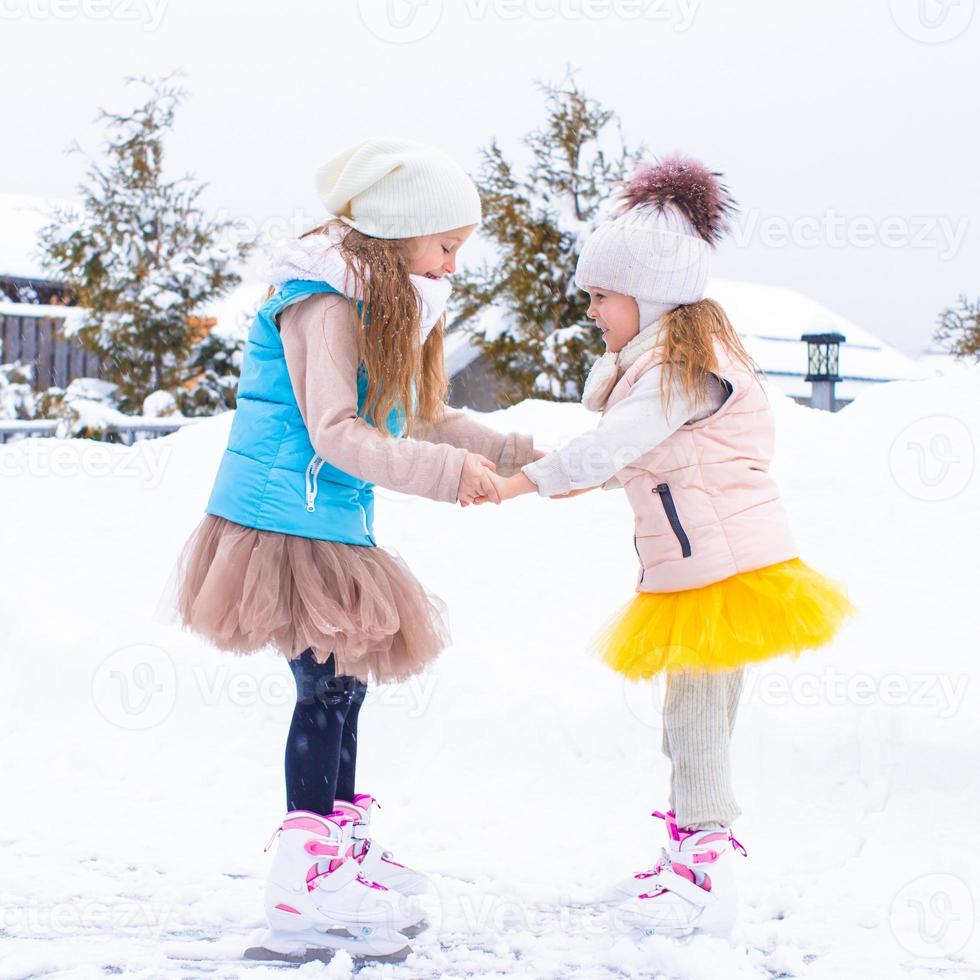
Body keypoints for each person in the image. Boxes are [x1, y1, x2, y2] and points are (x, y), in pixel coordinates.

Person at [166, 138, 540, 960]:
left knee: (344, 686)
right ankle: (304, 881)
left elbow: (410, 413)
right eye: (446, 245)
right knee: (325, 686)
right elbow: (337, 434)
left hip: (322, 516)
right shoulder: (325, 306)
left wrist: (511, 449)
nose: (453, 264)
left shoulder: (375, 302)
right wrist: (448, 477)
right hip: (283, 519)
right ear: (400, 232)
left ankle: (335, 845)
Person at [482, 155, 856, 939]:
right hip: (712, 561)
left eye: (600, 297)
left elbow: (609, 448)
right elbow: (615, 454)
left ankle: (703, 869)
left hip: (715, 568)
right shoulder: (669, 363)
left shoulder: (682, 371)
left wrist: (517, 486)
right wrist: (529, 468)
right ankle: (695, 851)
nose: (591, 312)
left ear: (649, 298)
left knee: (692, 716)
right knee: (698, 716)